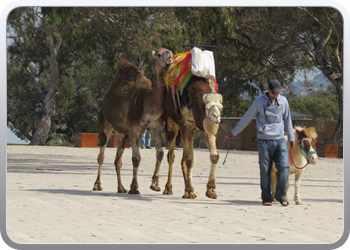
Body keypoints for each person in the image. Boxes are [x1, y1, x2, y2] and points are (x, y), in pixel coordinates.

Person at [227, 79, 295, 206]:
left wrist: (291, 138)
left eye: (278, 93)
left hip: (280, 140)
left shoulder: (283, 101)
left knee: (284, 168)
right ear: (268, 89)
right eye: (274, 93)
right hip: (264, 141)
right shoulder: (259, 102)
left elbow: (287, 120)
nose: (276, 96)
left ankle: (281, 195)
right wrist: (234, 132)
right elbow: (247, 117)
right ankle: (267, 198)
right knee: (265, 170)